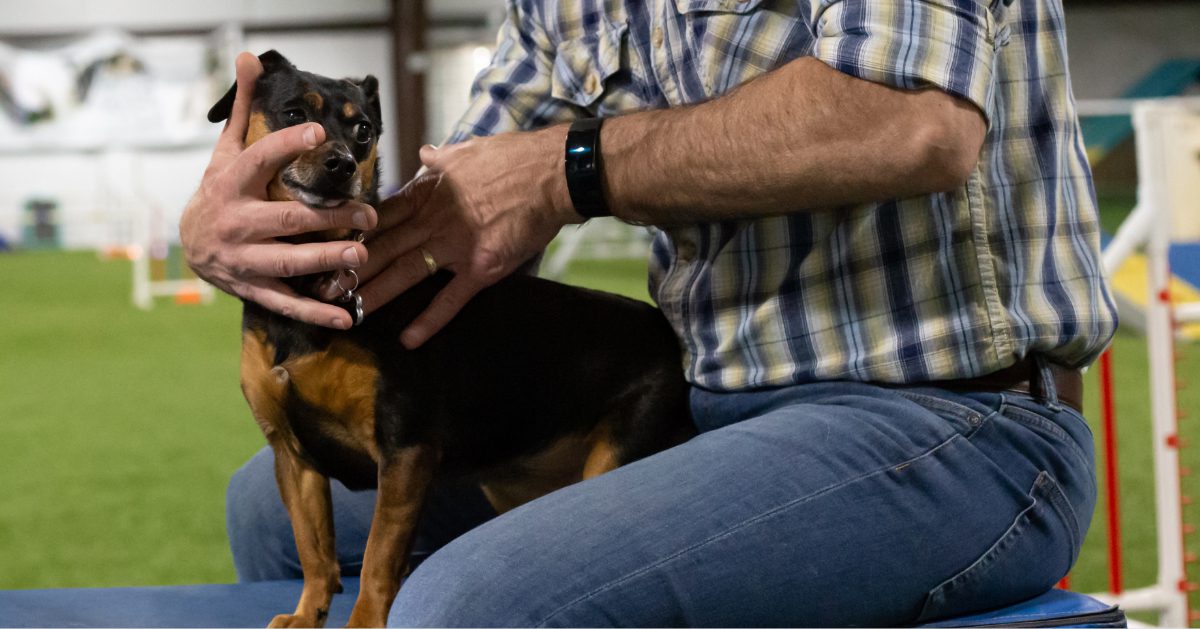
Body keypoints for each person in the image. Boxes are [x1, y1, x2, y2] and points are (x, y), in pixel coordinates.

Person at [183, 0, 1117, 625]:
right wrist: (245, 239)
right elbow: (462, 207)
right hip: (699, 408)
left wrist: (571, 168)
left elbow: (913, 120)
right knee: (268, 513)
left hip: (951, 421)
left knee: (468, 606)